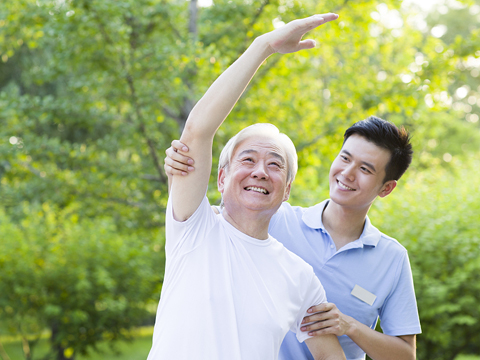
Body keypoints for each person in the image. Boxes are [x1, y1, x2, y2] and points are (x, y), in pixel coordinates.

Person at [147, 14, 346, 360]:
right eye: (248, 160)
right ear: (222, 179)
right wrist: (263, 47)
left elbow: (331, 356)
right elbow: (197, 130)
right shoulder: (194, 227)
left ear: (286, 191)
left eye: (274, 165)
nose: (260, 172)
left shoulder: (300, 276)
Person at [165, 120, 421, 357]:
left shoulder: (392, 259)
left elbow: (405, 355)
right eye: (345, 158)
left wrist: (349, 325)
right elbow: (214, 219)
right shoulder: (274, 217)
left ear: (386, 188)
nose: (348, 173)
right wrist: (177, 171)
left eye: (365, 169)